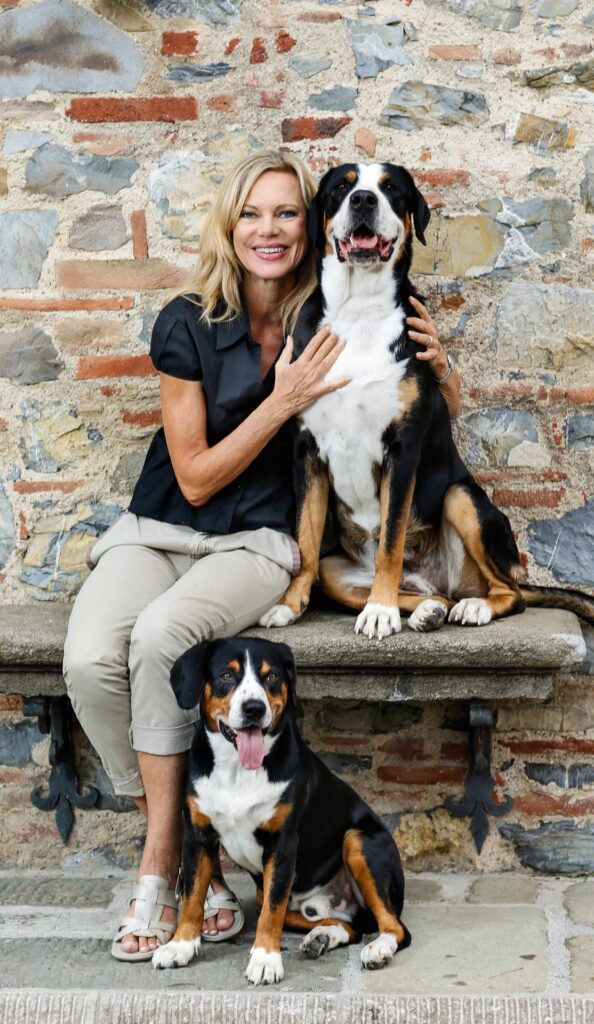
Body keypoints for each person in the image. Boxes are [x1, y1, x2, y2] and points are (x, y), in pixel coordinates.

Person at [63, 150, 460, 961]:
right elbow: (194, 478)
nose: (268, 230)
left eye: (284, 213)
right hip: (162, 525)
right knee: (89, 660)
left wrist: (443, 366)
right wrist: (283, 400)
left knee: (159, 639)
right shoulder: (187, 320)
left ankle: (164, 870)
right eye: (251, 214)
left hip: (259, 540)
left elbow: (415, 422)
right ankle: (184, 836)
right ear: (230, 225)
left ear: (312, 228)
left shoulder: (341, 311)